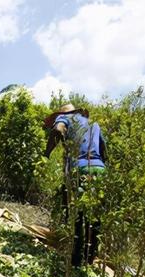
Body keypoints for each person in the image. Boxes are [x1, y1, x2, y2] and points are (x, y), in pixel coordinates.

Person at [43, 103, 107, 267]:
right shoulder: (93, 125)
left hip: (79, 169)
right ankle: (90, 257)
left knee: (78, 215)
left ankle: (76, 261)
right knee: (95, 217)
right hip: (100, 169)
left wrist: (46, 155)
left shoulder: (65, 118)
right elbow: (104, 149)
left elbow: (58, 130)